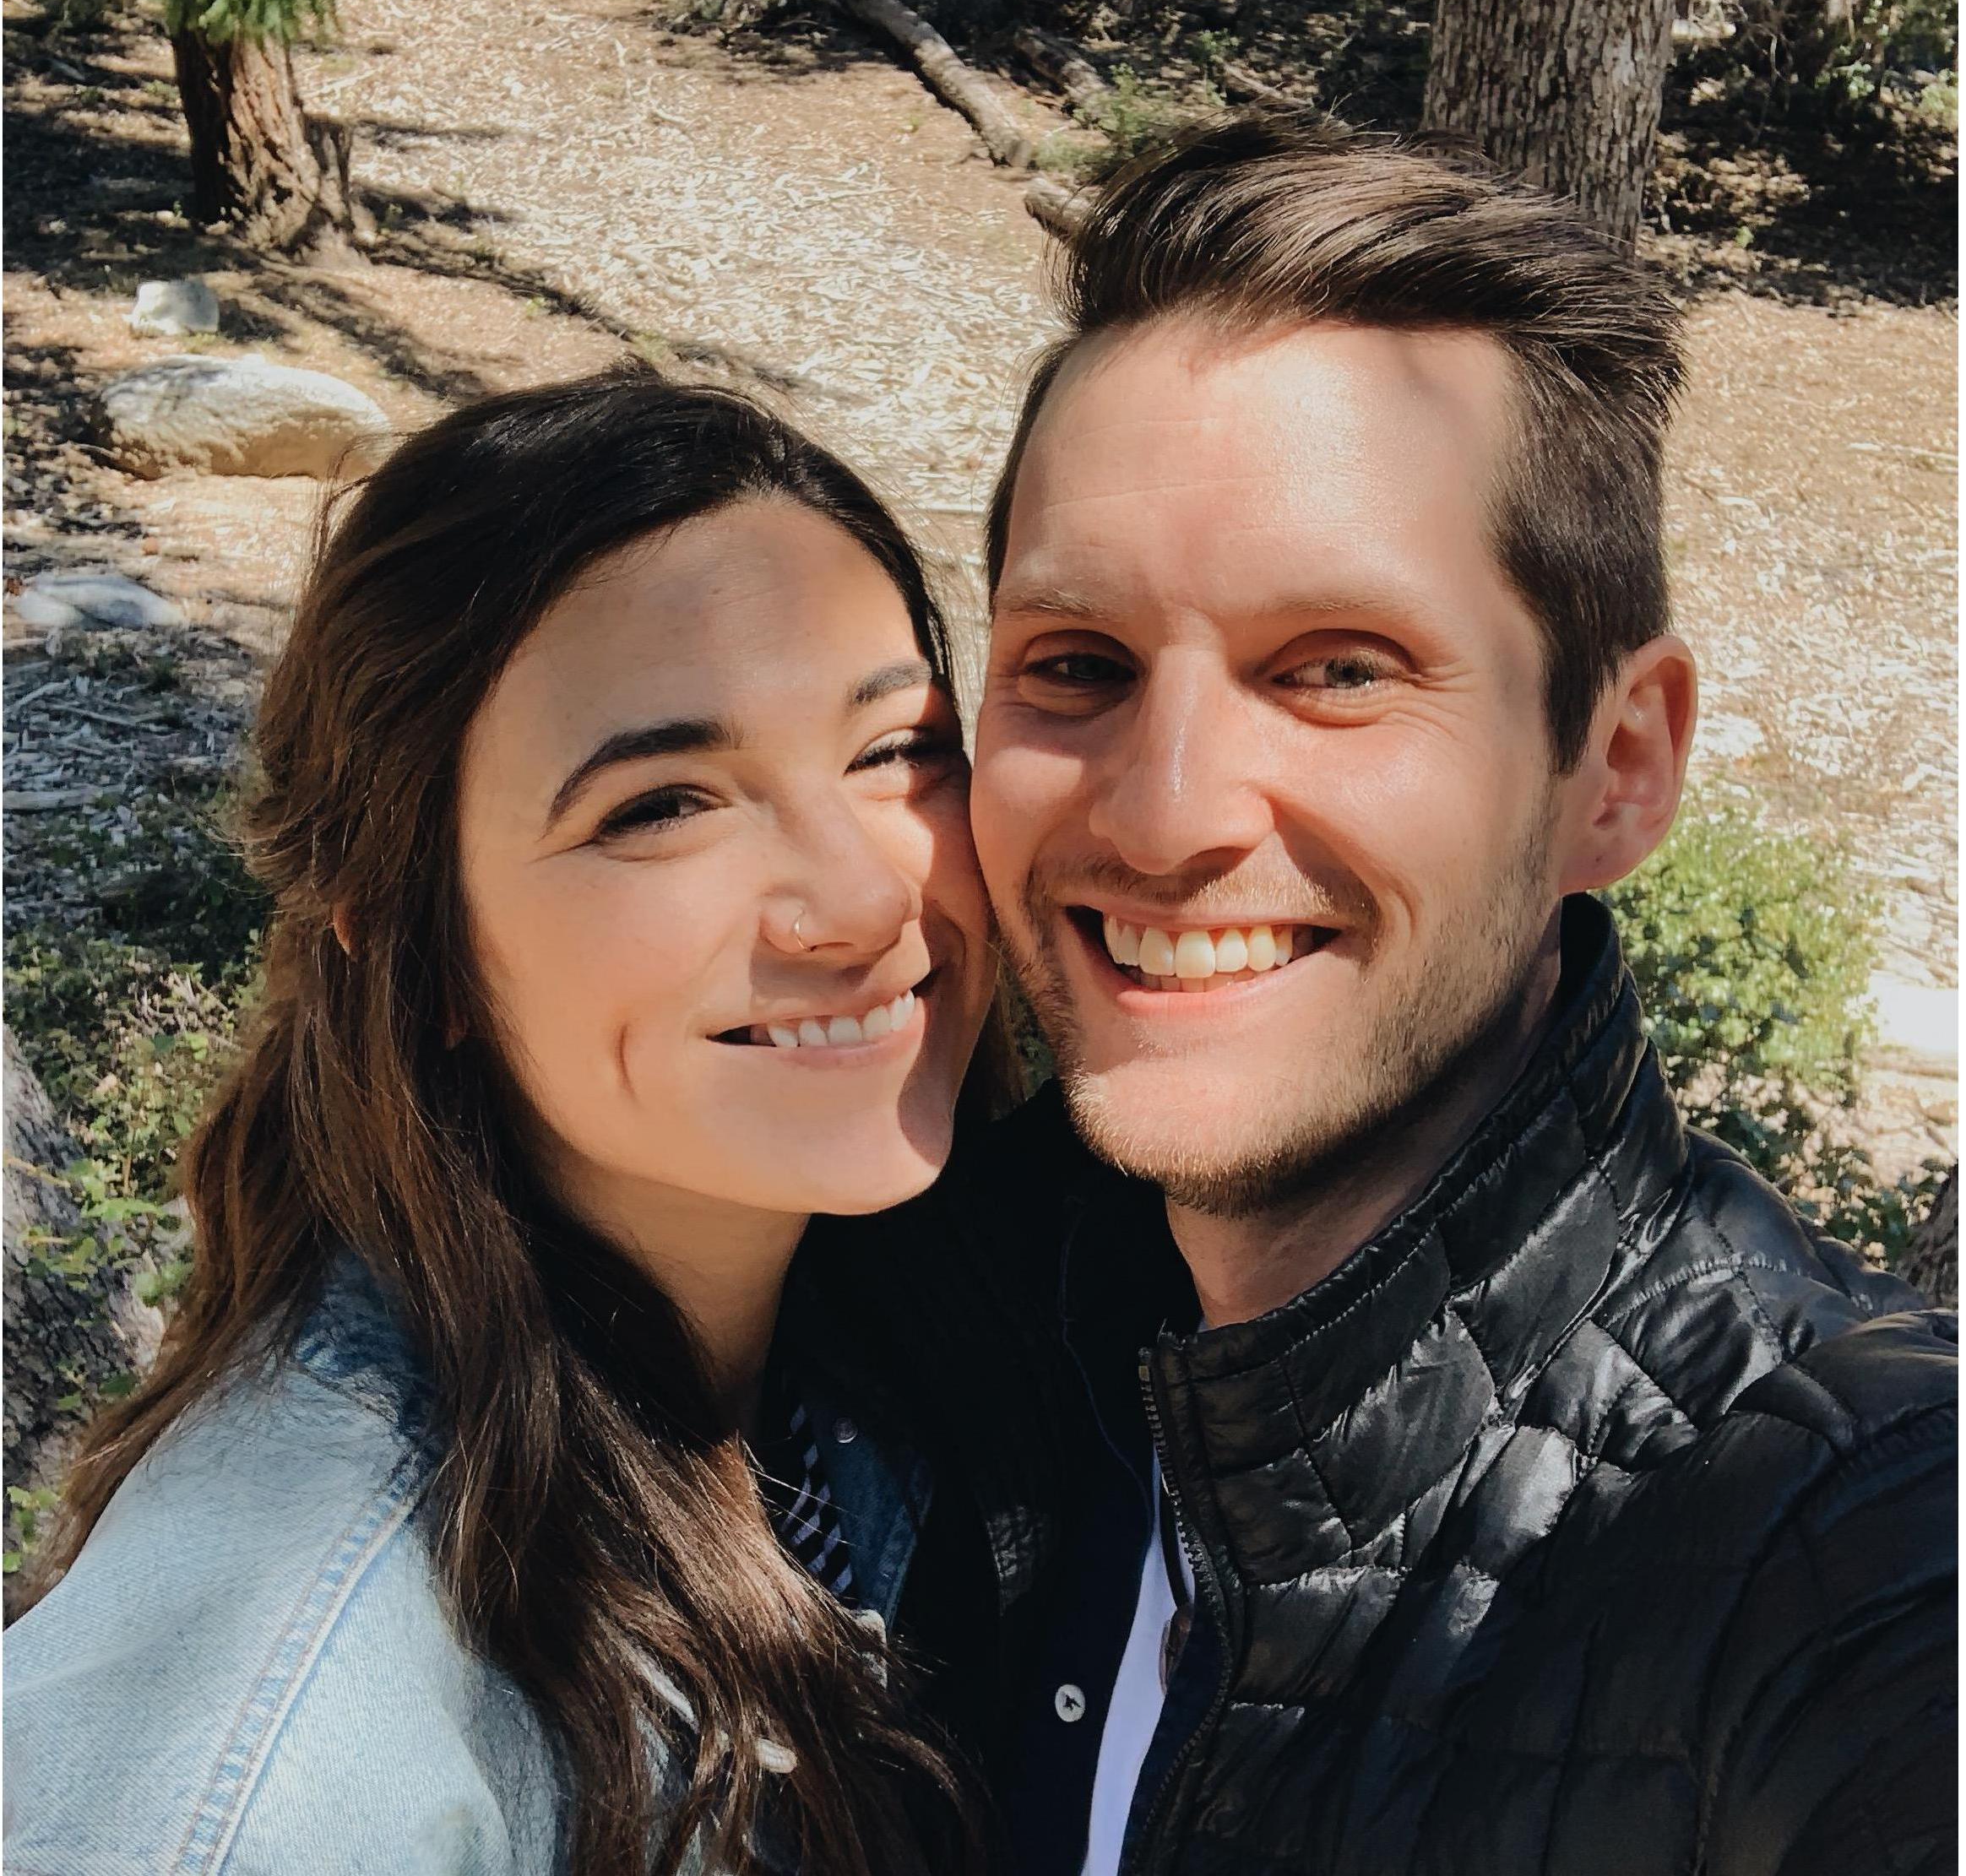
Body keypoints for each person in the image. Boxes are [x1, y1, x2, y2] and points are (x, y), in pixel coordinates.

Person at [967, 112, 1958, 1876]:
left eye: (1338, 669)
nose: (1164, 814)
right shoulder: (945, 1329)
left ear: (1617, 769)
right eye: (1079, 664)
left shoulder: (1848, 1524)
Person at [5, 368, 1058, 1876]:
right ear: (421, 949)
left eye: (895, 749)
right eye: (662, 805)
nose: (862, 899)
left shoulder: (885, 1336)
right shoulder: (296, 1742)